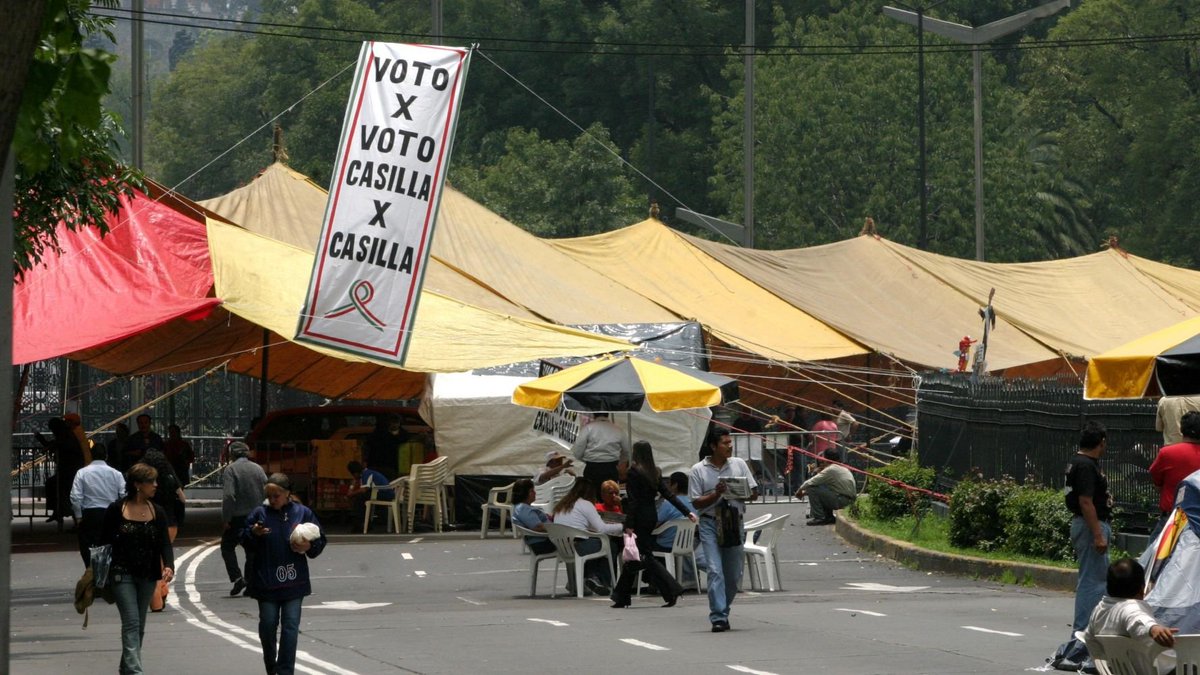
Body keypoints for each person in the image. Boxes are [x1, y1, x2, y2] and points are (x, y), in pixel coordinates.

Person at [243, 473, 327, 675]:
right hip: (266, 580)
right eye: (269, 496)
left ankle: (285, 671)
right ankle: (271, 666)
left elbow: (320, 538)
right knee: (268, 625)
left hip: (294, 580)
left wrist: (309, 546)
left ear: (287, 493)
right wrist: (253, 533)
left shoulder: (302, 512)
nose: (273, 500)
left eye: (277, 495)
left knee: (290, 626)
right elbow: (244, 540)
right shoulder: (259, 513)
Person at [99, 462, 175, 675]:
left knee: (139, 624)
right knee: (131, 622)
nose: (156, 485)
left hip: (148, 574)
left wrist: (169, 565)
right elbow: (103, 542)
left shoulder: (157, 511)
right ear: (137, 484)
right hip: (121, 573)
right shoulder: (116, 510)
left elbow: (164, 543)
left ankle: (126, 668)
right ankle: (134, 671)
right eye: (151, 481)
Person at [610, 441, 695, 609]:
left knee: (643, 556)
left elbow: (633, 501)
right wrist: (687, 512)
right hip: (651, 515)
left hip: (639, 517)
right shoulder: (654, 472)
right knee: (635, 556)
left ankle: (672, 589)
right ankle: (621, 596)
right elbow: (669, 495)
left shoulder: (633, 472)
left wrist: (629, 523)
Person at [689, 427, 758, 633]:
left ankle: (724, 610)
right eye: (725, 443)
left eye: (730, 443)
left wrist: (740, 491)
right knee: (715, 569)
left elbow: (753, 493)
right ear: (713, 446)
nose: (730, 446)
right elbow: (696, 502)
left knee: (734, 574)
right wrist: (716, 494)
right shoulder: (698, 470)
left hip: (734, 522)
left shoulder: (739, 464)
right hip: (710, 522)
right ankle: (718, 616)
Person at [1084, 558, 1177, 675]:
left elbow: (1088, 637)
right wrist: (1153, 628)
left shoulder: (1099, 610)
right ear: (1141, 589)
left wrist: (1102, 665)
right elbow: (1137, 620)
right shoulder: (1131, 608)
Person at [1066, 421, 1112, 638]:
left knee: (1097, 580)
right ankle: (1082, 633)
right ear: (1101, 442)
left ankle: (1092, 629)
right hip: (1090, 526)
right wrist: (1098, 534)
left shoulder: (1079, 462)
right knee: (1092, 581)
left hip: (1088, 525)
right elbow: (1085, 501)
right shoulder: (1085, 465)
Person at [551, 477, 621, 595]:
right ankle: (603, 582)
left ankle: (585, 578)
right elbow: (602, 528)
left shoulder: (562, 505)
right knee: (611, 546)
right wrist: (622, 526)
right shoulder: (585, 504)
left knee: (596, 542)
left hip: (563, 547)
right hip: (579, 546)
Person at [221, 441, 267, 597]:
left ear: (232, 455)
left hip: (238, 517)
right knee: (251, 550)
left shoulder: (231, 469)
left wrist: (226, 518)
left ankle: (237, 577)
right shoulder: (258, 468)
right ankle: (250, 583)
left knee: (227, 546)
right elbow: (266, 489)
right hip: (256, 515)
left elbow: (229, 496)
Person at [69, 443, 125, 567]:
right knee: (110, 544)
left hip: (90, 513)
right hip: (111, 512)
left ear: (91, 455)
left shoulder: (82, 473)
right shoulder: (116, 473)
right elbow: (123, 494)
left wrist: (78, 517)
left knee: (88, 546)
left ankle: (91, 569)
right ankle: (108, 570)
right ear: (106, 456)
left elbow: (75, 497)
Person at [1149, 411, 1200, 537]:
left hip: (1172, 518)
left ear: (1181, 430)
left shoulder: (1167, 453)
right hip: (1197, 518)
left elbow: (1155, 479)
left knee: (1155, 548)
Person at [41, 416, 85, 524]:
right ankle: (58, 511)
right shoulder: (64, 434)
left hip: (71, 470)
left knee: (67, 493)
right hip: (67, 470)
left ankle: (67, 515)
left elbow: (61, 444)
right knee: (54, 486)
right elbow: (54, 444)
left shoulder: (66, 434)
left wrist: (50, 446)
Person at [795, 455, 858, 526]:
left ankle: (819, 517)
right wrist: (804, 493)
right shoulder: (841, 468)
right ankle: (829, 517)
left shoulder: (830, 469)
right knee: (820, 488)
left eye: (822, 462)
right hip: (849, 500)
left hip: (843, 500)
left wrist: (799, 490)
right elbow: (822, 490)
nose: (821, 465)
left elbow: (811, 483)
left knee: (812, 488)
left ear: (826, 460)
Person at [570, 413, 630, 487]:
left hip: (592, 469)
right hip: (611, 468)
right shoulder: (618, 429)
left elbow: (577, 452)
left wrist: (588, 460)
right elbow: (627, 451)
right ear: (607, 414)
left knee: (591, 492)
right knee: (609, 492)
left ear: (594, 415)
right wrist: (618, 461)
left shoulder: (588, 428)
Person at [510, 478, 554, 555]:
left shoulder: (521, 508)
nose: (535, 493)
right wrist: (560, 528)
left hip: (544, 540)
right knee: (575, 542)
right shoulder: (523, 509)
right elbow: (537, 527)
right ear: (524, 493)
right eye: (532, 491)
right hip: (543, 542)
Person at [346, 461, 392, 532]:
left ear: (355, 473)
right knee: (361, 498)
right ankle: (365, 524)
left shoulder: (366, 474)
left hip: (384, 493)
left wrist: (352, 494)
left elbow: (364, 489)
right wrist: (352, 485)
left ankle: (360, 524)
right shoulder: (367, 473)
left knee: (359, 499)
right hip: (382, 492)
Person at [362, 415, 407, 481]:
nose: (394, 425)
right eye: (392, 422)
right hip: (380, 465)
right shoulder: (380, 434)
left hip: (392, 466)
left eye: (396, 422)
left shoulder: (403, 435)